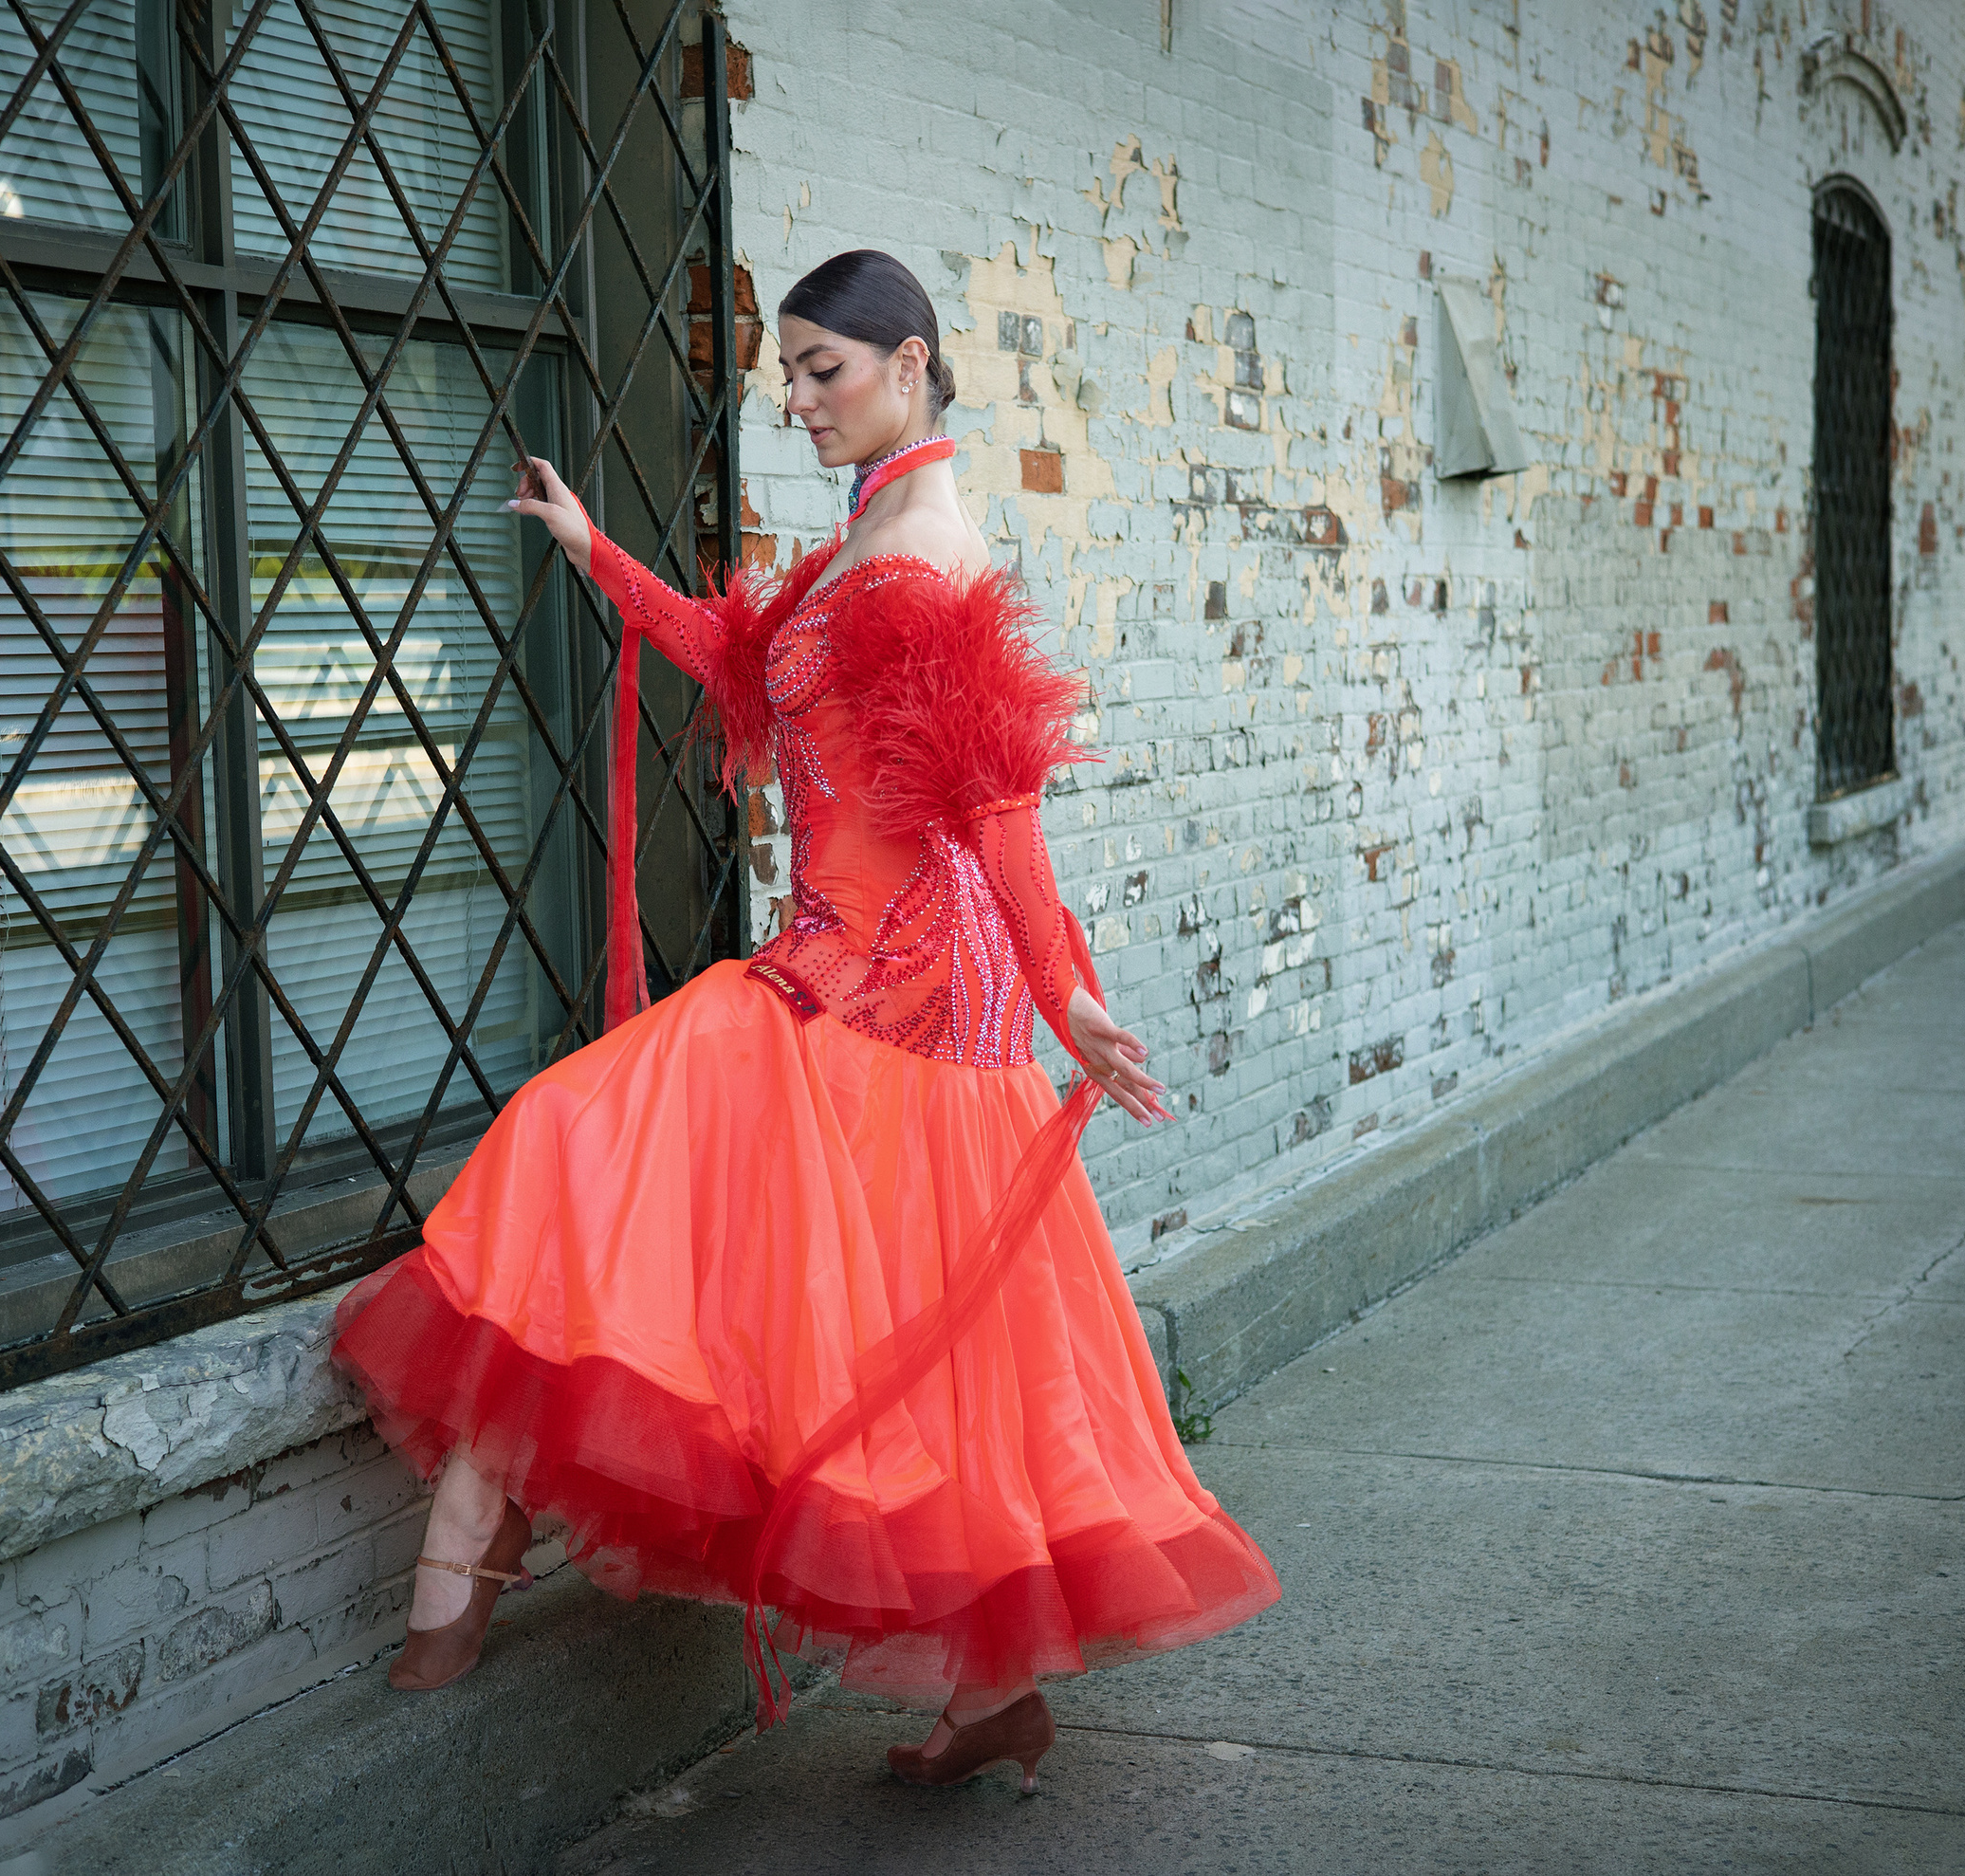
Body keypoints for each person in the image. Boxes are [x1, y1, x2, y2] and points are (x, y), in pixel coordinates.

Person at [330, 248, 1278, 1793]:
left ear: (910, 363)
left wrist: (1069, 1000)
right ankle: (988, 1692)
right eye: (789, 371)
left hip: (894, 978)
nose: (797, 399)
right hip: (841, 954)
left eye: (822, 370)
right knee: (881, 1306)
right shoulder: (870, 533)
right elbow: (753, 668)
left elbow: (1000, 811)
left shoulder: (927, 552)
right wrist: (596, 554)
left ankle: (479, 1546)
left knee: (631, 1161)